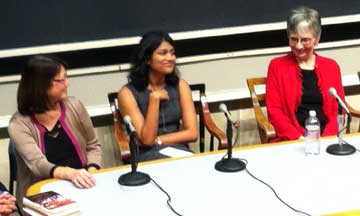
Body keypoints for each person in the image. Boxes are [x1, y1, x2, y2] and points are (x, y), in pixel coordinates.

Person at [8, 55, 102, 206]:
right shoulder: (18, 124)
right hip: (43, 194)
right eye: (62, 80)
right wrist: (70, 174)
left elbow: (93, 145)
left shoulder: (75, 106)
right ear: (41, 85)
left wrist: (91, 173)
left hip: (82, 186)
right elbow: (38, 165)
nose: (67, 83)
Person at [265, 6, 345, 141]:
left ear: (317, 38)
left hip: (328, 139)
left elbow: (339, 110)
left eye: (305, 40)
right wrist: (298, 138)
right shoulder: (276, 67)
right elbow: (274, 111)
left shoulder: (331, 67)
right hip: (293, 139)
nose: (299, 46)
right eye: (294, 39)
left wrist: (326, 140)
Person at [118, 31, 198, 161]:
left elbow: (192, 133)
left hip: (178, 150)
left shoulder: (181, 85)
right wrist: (154, 100)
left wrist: (159, 140)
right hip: (146, 155)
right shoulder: (127, 93)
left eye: (172, 53)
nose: (171, 58)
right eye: (163, 53)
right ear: (147, 59)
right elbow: (147, 140)